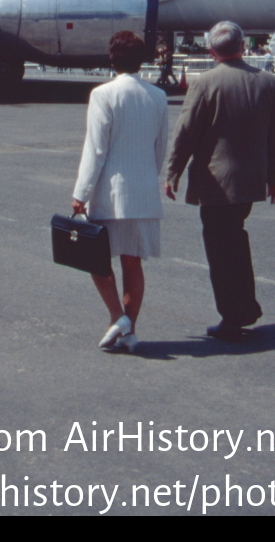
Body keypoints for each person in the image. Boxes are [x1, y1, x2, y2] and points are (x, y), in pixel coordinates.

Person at [165, 21, 275, 342]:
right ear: (243, 46)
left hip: (215, 183)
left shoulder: (206, 83)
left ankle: (234, 316)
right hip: (250, 182)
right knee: (235, 241)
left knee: (222, 251)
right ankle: (243, 308)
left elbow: (186, 132)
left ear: (211, 50)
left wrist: (172, 172)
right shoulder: (268, 83)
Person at [70, 31, 170, 354]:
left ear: (111, 58)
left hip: (110, 193)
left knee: (96, 261)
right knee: (132, 264)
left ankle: (118, 317)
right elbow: (160, 149)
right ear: (142, 59)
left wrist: (80, 192)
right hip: (142, 193)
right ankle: (129, 331)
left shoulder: (103, 94)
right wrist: (145, 179)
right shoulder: (158, 96)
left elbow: (96, 149)